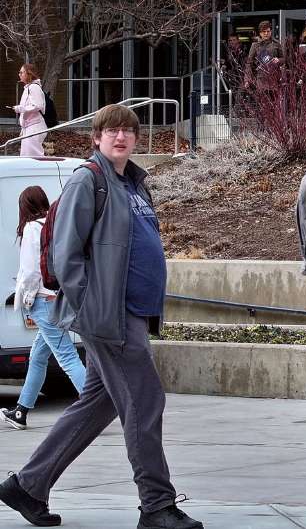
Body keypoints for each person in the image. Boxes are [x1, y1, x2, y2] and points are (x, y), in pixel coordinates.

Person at [0, 104, 203, 529]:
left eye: (128, 131)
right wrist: (94, 308)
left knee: (99, 402)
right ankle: (157, 505)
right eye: (111, 131)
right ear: (96, 138)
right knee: (145, 402)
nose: (120, 137)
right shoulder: (87, 181)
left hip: (132, 312)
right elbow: (65, 255)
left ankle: (27, 486)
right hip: (110, 315)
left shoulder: (133, 184)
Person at [0, 186, 87, 431]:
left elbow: (29, 271)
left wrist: (26, 299)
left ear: (25, 206)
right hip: (58, 297)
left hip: (42, 301)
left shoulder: (31, 229)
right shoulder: (55, 223)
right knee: (38, 357)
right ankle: (21, 411)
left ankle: (96, 408)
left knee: (67, 358)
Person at [11, 63, 48, 156]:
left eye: (21, 72)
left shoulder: (34, 87)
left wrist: (20, 108)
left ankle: (41, 170)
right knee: (28, 156)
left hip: (34, 127)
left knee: (33, 156)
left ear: (29, 74)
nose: (19, 74)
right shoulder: (29, 87)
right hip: (30, 126)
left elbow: (37, 105)